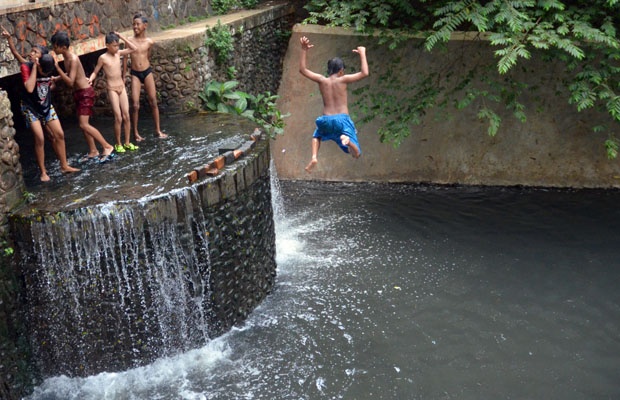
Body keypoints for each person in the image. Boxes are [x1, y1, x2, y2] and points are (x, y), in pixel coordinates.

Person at [299, 35, 369, 172]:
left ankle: (314, 156)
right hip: (342, 120)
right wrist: (362, 53)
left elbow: (303, 70)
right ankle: (348, 141)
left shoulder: (321, 80)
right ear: (341, 71)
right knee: (356, 153)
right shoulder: (343, 79)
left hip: (325, 119)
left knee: (317, 136)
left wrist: (303, 50)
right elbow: (364, 73)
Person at [51, 31, 115, 163]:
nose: (53, 49)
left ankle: (107, 146)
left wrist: (58, 69)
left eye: (55, 46)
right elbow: (70, 74)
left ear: (63, 47)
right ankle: (93, 150)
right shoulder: (67, 58)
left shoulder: (73, 59)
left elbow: (70, 81)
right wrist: (56, 78)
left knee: (84, 124)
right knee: (82, 124)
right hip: (79, 93)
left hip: (85, 93)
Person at [19, 53, 80, 181]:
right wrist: (35, 68)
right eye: (43, 71)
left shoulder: (48, 68)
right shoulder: (29, 67)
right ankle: (43, 172)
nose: (45, 74)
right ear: (38, 64)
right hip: (30, 107)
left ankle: (64, 165)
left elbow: (49, 85)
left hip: (45, 106)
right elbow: (29, 89)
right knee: (40, 138)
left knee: (59, 134)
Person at [88, 31, 138, 153]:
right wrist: (90, 79)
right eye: (114, 46)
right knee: (118, 117)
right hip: (112, 89)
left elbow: (134, 48)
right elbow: (95, 71)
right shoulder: (103, 58)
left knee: (126, 115)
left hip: (121, 87)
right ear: (107, 46)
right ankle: (118, 143)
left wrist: (121, 36)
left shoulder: (119, 53)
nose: (117, 48)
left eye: (118, 45)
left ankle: (127, 142)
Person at [126, 14, 167, 140]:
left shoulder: (149, 42)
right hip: (135, 74)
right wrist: (124, 76)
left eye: (137, 24)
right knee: (135, 104)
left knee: (153, 101)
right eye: (133, 24)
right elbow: (125, 59)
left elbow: (148, 56)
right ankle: (136, 133)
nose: (135, 27)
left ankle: (158, 130)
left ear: (145, 26)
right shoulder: (129, 41)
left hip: (147, 71)